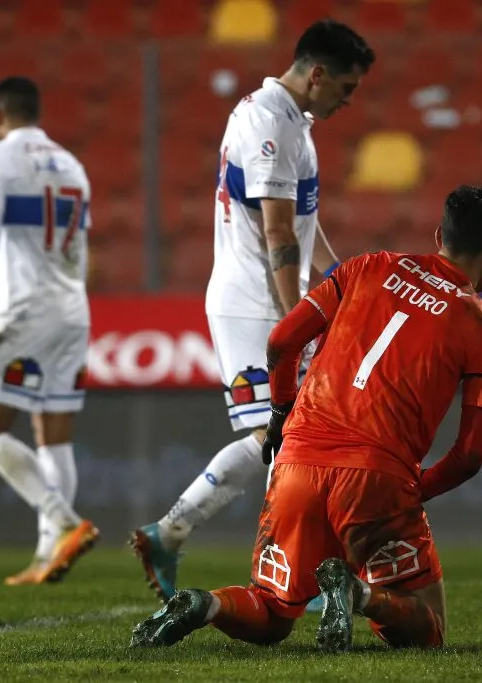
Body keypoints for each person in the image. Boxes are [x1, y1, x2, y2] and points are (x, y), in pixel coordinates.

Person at [129, 185, 482, 651]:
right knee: (428, 627)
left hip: (295, 464)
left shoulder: (365, 266)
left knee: (271, 611)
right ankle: (359, 594)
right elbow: (469, 455)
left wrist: (279, 414)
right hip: (378, 476)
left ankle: (202, 603)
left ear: (439, 234)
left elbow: (281, 342)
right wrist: (417, 489)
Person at [129, 19, 376, 612]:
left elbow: (300, 225)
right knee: (289, 441)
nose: (349, 99)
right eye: (345, 86)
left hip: (273, 300)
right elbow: (275, 235)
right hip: (254, 304)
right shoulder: (268, 122)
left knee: (278, 436)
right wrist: (300, 319)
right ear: (316, 74)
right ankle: (293, 577)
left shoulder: (296, 122)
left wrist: (340, 285)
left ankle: (171, 533)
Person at [0, 77, 99, 586]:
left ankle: (66, 523)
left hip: (24, 311)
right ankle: (49, 554)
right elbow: (81, 256)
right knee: (54, 434)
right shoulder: (72, 166)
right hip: (73, 308)